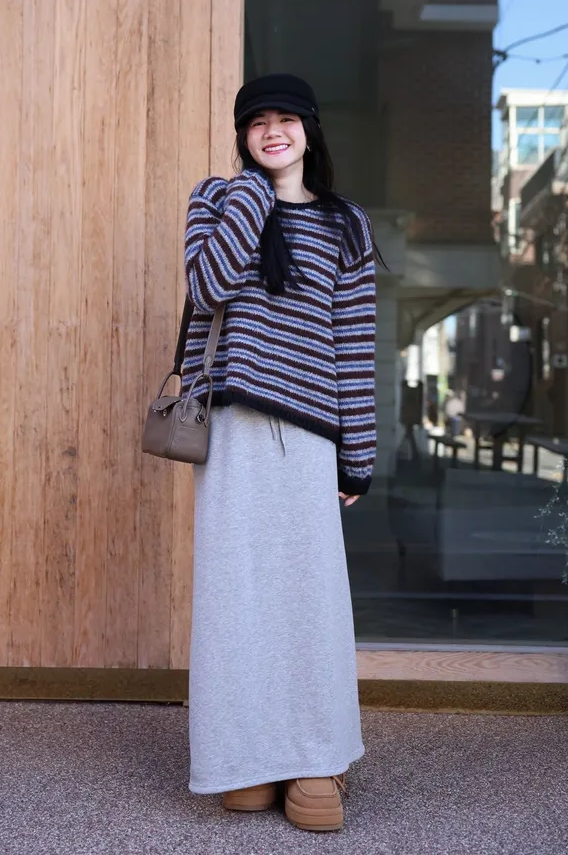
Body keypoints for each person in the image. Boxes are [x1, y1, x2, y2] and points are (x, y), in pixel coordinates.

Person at [180, 74, 382, 832]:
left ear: (309, 128)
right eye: (257, 121)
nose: (272, 131)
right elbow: (208, 287)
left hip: (308, 436)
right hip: (232, 433)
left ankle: (315, 759)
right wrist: (253, 195)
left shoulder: (345, 224)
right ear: (242, 136)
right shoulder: (217, 200)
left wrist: (357, 455)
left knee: (309, 600)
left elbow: (353, 346)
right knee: (235, 599)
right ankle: (246, 757)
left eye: (286, 119)